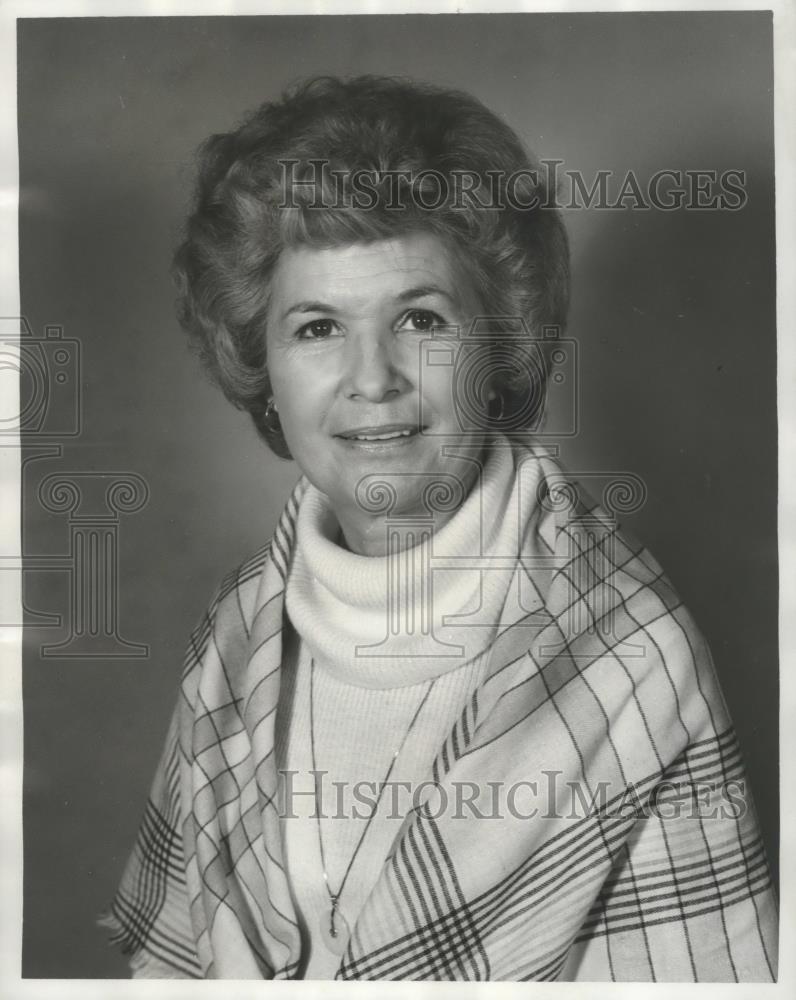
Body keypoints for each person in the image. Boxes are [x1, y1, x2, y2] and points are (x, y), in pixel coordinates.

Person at [100, 75, 777, 981]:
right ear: (260, 361)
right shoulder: (233, 637)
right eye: (317, 328)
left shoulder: (629, 657)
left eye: (420, 319)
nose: (370, 379)